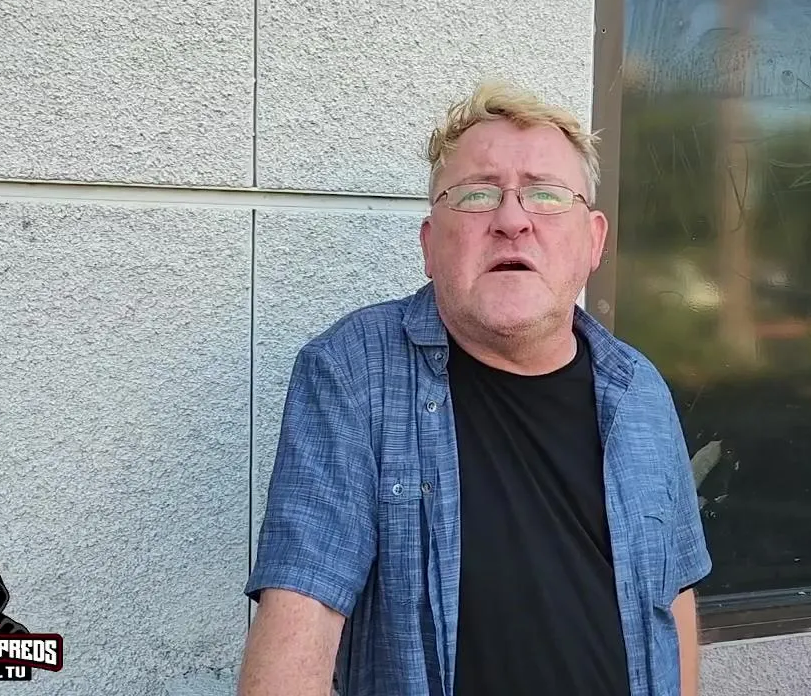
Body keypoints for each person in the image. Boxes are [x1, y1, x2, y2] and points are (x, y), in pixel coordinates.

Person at [238, 80, 711, 696]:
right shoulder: (353, 373)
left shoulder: (639, 388)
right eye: (477, 195)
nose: (512, 220)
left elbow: (673, 595)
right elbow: (302, 612)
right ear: (430, 245)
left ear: (593, 241)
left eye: (545, 195)